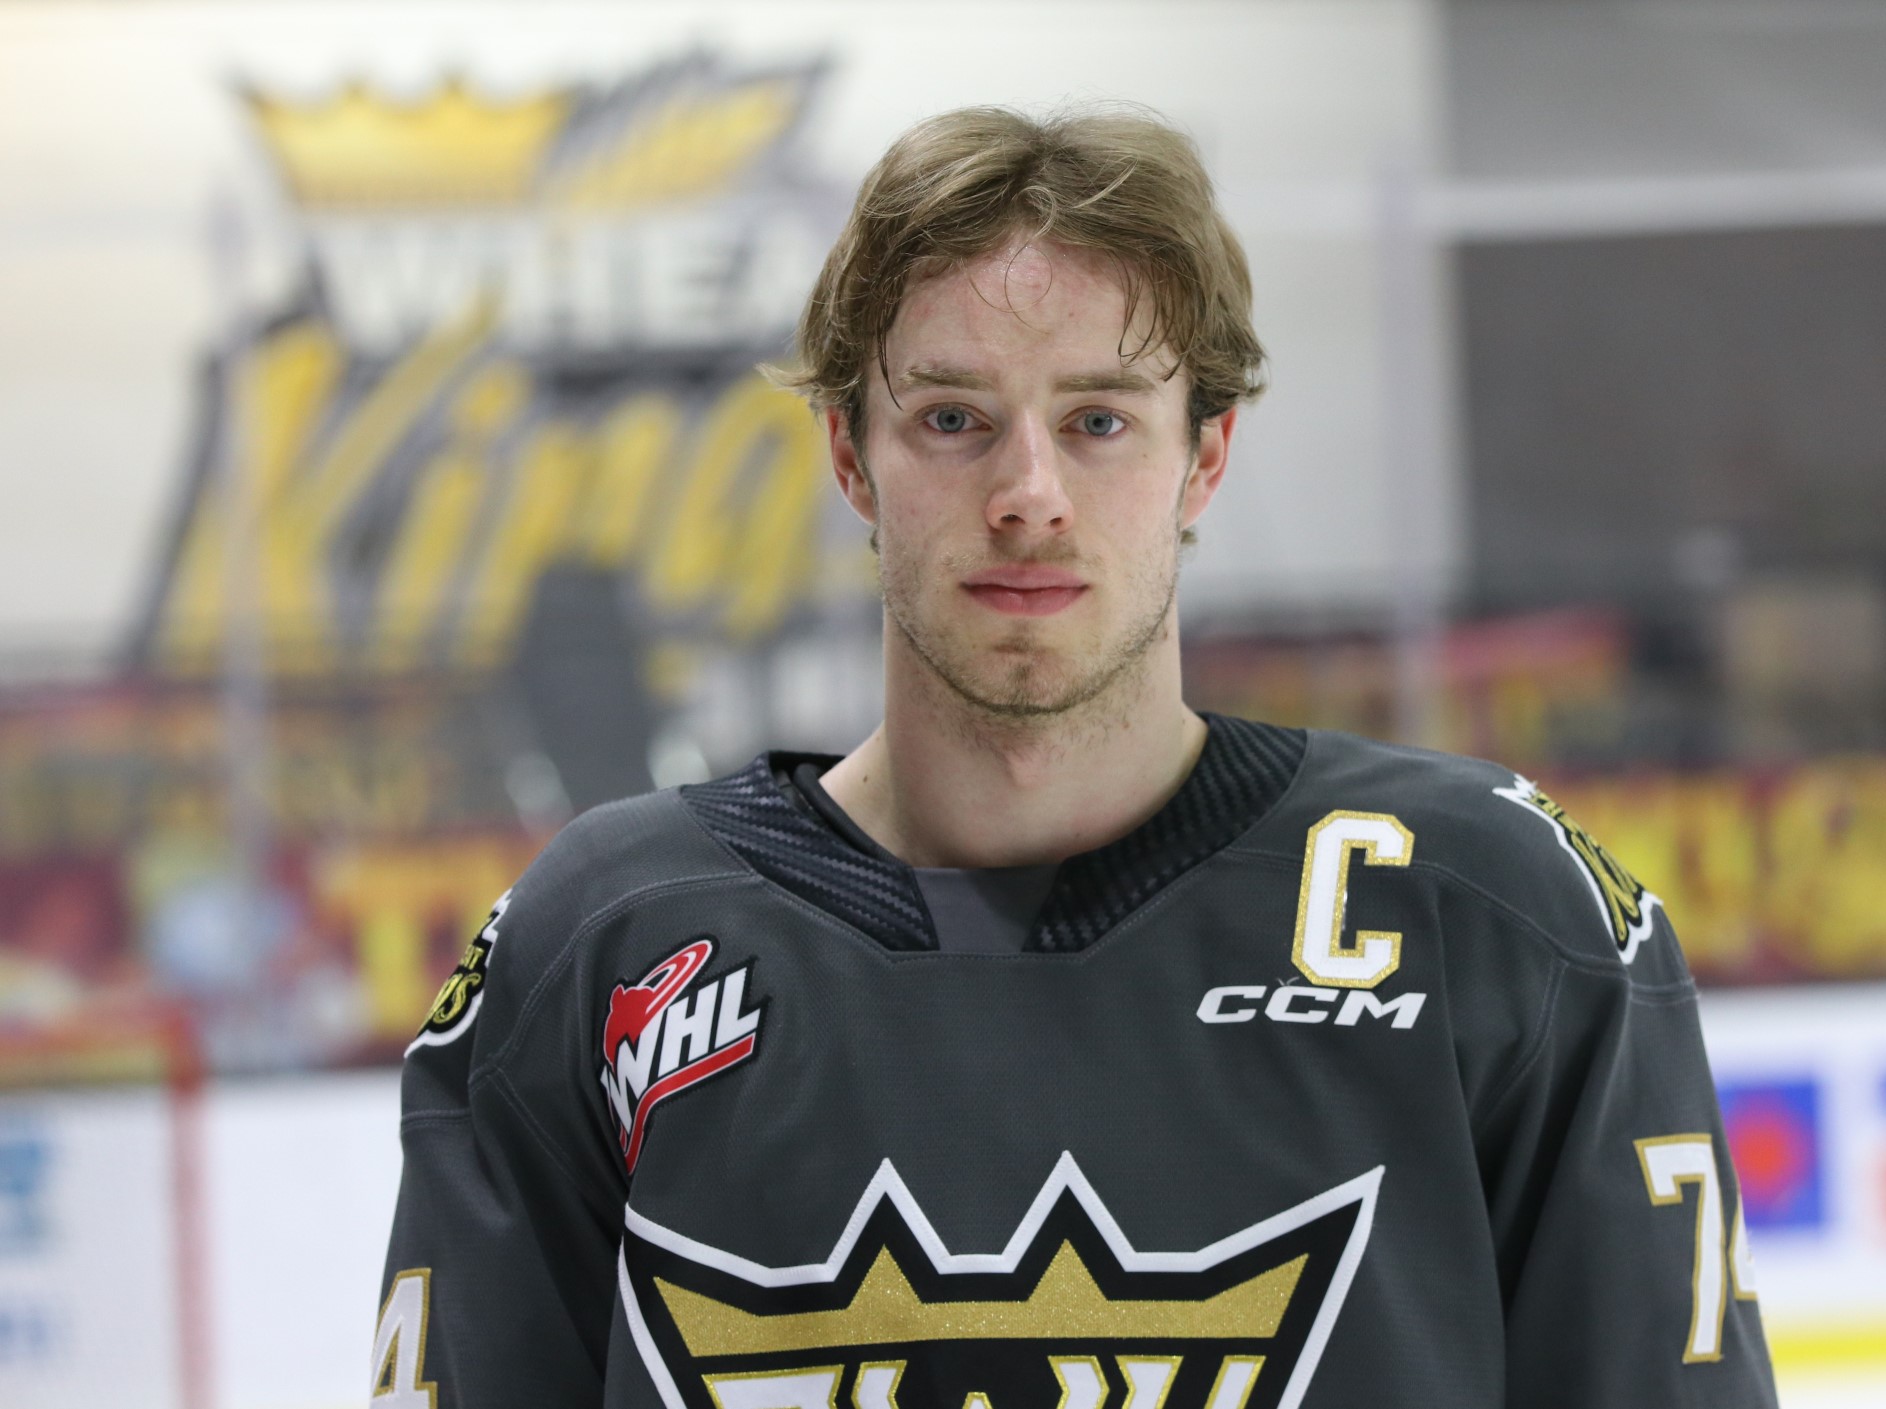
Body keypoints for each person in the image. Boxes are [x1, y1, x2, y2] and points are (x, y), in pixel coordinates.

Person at [373, 106, 1777, 1408]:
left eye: (1099, 420)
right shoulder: (599, 949)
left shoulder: (1491, 916)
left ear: (1204, 456)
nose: (1027, 494)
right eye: (952, 419)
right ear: (851, 458)